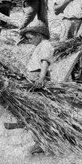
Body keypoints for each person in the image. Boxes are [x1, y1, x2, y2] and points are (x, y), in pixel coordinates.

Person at [20, 22, 54, 154]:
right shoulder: (40, 45)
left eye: (30, 38)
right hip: (33, 77)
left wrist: (41, 78)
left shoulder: (45, 45)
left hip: (37, 78)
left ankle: (41, 142)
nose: (29, 41)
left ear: (39, 35)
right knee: (34, 110)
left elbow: (44, 62)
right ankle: (40, 140)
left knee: (37, 111)